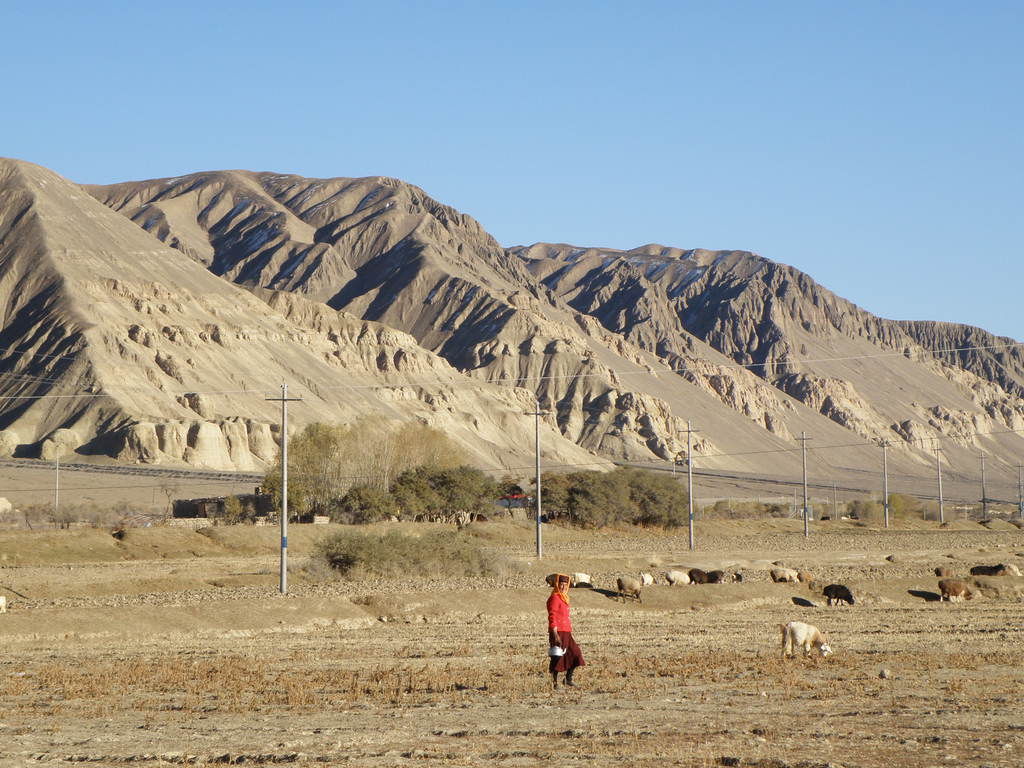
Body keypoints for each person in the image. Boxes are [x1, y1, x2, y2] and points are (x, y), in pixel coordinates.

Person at [547, 573, 585, 689]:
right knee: (557, 657)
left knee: (575, 653)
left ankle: (568, 679)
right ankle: (555, 683)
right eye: (561, 584)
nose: (563, 586)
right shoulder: (554, 598)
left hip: (567, 632)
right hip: (558, 632)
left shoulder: (565, 598)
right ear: (557, 584)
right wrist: (555, 634)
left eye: (565, 584)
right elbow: (552, 616)